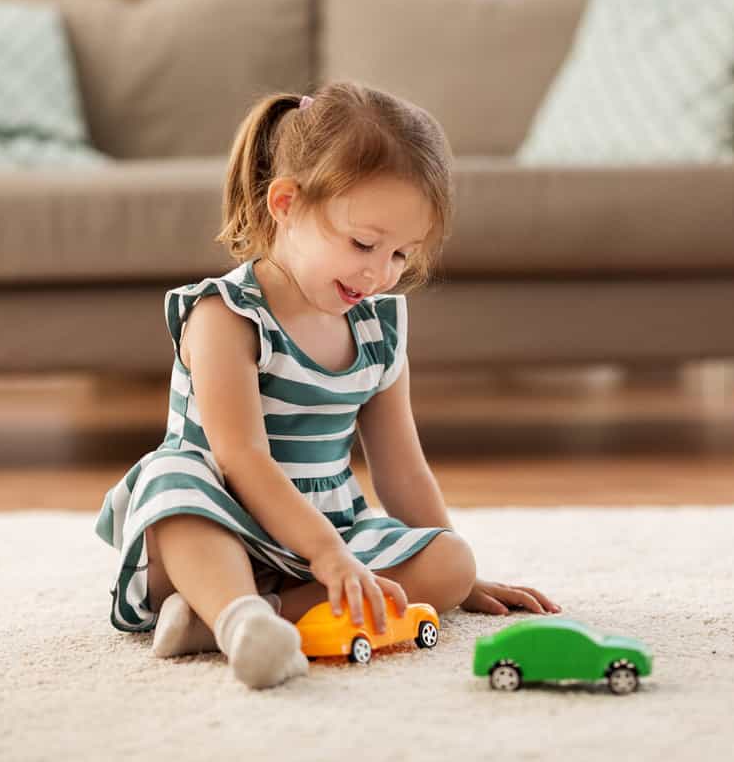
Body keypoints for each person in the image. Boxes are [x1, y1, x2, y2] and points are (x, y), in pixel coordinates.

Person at [95, 82, 560, 689]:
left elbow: (403, 470)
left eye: (401, 255)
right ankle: (231, 607)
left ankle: (231, 624)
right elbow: (240, 458)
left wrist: (458, 578)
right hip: (220, 521)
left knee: (450, 559)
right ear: (285, 204)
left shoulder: (379, 325)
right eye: (364, 243)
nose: (378, 272)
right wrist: (325, 555)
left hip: (328, 529)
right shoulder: (226, 316)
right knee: (175, 482)